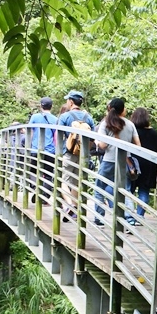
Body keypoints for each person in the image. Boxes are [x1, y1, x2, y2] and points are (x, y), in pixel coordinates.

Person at [92, 97, 140, 226]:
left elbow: (102, 146)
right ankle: (130, 219)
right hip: (125, 161)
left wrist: (101, 141)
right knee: (125, 190)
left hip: (109, 160)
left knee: (99, 188)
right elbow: (138, 145)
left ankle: (99, 218)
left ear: (110, 108)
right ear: (122, 109)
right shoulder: (130, 124)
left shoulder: (106, 123)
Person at [57, 90, 95, 221]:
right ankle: (74, 205)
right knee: (76, 181)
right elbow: (93, 139)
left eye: (68, 100)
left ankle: (68, 206)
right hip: (83, 155)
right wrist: (85, 151)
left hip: (68, 153)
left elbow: (59, 136)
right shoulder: (88, 117)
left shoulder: (65, 117)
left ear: (71, 102)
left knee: (62, 180)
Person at [127, 107, 157, 225]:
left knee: (129, 191)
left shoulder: (132, 131)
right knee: (144, 191)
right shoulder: (154, 133)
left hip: (133, 164)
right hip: (149, 166)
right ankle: (139, 217)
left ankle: (129, 216)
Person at [28, 97, 58, 201]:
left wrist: (29, 146)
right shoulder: (55, 119)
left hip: (36, 149)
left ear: (41, 106)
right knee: (49, 174)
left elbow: (30, 132)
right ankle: (44, 195)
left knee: (33, 171)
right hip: (50, 150)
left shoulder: (35, 117)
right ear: (51, 107)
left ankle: (36, 188)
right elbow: (56, 136)